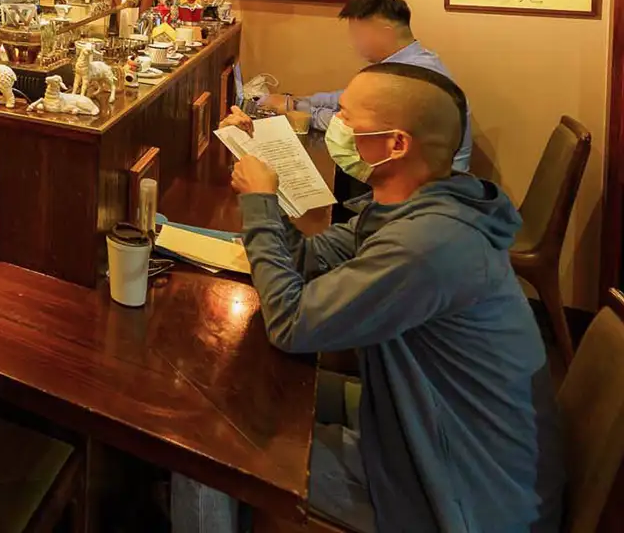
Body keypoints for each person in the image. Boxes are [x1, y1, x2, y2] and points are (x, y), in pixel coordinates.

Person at [226, 63, 563, 532]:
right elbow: (310, 257)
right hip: (409, 423)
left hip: (459, 494)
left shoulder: (428, 242)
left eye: (346, 118)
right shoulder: (414, 205)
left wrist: (261, 205)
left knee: (219, 440)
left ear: (396, 144)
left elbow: (289, 323)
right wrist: (265, 186)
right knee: (238, 390)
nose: (335, 127)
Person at [259, 0, 471, 173]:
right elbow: (349, 98)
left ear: (384, 33)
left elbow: (355, 126)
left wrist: (295, 110)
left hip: (429, 185)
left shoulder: (413, 74)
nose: (353, 44)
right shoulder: (405, 62)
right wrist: (297, 101)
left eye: (357, 35)